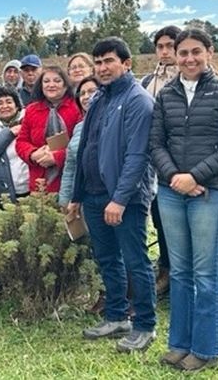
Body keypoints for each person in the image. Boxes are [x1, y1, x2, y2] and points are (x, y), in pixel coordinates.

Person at [150, 28, 218, 372]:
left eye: (196, 52)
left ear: (209, 52)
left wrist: (196, 177)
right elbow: (156, 143)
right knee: (180, 272)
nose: (189, 59)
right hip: (172, 192)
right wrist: (177, 178)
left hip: (212, 192)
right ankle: (180, 344)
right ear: (174, 56)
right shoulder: (167, 95)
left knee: (206, 273)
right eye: (183, 53)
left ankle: (208, 349)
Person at [66, 37, 156, 353]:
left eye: (109, 61)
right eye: (99, 62)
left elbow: (137, 156)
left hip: (124, 199)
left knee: (135, 261)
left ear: (126, 63)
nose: (103, 67)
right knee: (107, 259)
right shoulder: (100, 99)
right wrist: (77, 195)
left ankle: (145, 324)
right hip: (92, 195)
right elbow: (86, 150)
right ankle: (117, 316)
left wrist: (119, 199)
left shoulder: (138, 101)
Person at [141, 25, 182, 296]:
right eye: (160, 46)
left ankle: (179, 274)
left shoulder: (186, 79)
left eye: (170, 45)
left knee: (181, 222)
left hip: (182, 162)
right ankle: (165, 269)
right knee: (159, 218)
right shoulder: (147, 81)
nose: (165, 51)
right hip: (153, 163)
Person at [15, 66, 81, 194]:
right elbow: (21, 141)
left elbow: (82, 144)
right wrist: (33, 154)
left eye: (57, 81)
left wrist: (57, 157)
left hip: (68, 181)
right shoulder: (31, 110)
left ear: (66, 85)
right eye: (46, 81)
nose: (51, 85)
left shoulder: (76, 108)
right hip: (38, 182)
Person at [58, 76, 101, 207]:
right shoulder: (78, 128)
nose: (86, 96)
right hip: (85, 198)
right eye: (82, 93)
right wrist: (65, 201)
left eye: (92, 91)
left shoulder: (114, 123)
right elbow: (70, 167)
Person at [0, 85, 29, 204]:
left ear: (17, 105)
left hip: (32, 187)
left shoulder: (29, 119)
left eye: (9, 102)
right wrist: (10, 132)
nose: (5, 106)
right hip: (7, 192)